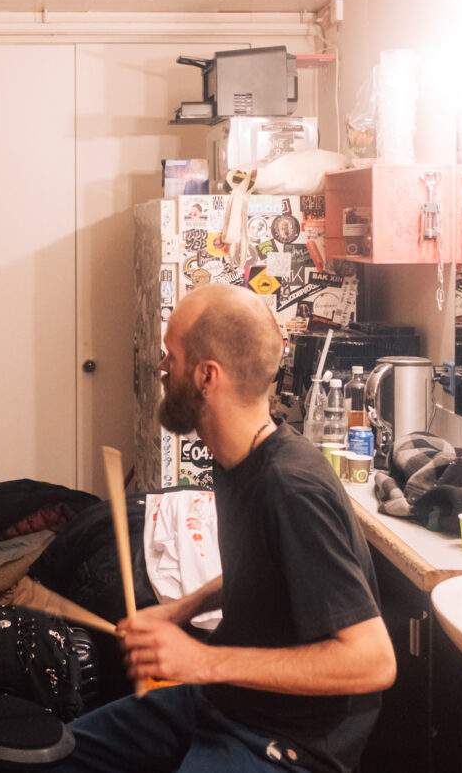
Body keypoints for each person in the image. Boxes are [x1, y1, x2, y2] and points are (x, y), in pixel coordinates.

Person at [51, 283, 395, 773]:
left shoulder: (290, 489)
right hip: (224, 699)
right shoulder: (238, 458)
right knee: (54, 756)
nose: (162, 368)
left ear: (206, 375)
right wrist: (180, 610)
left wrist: (200, 661)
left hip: (287, 740)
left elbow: (373, 661)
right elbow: (261, 571)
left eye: (171, 356)